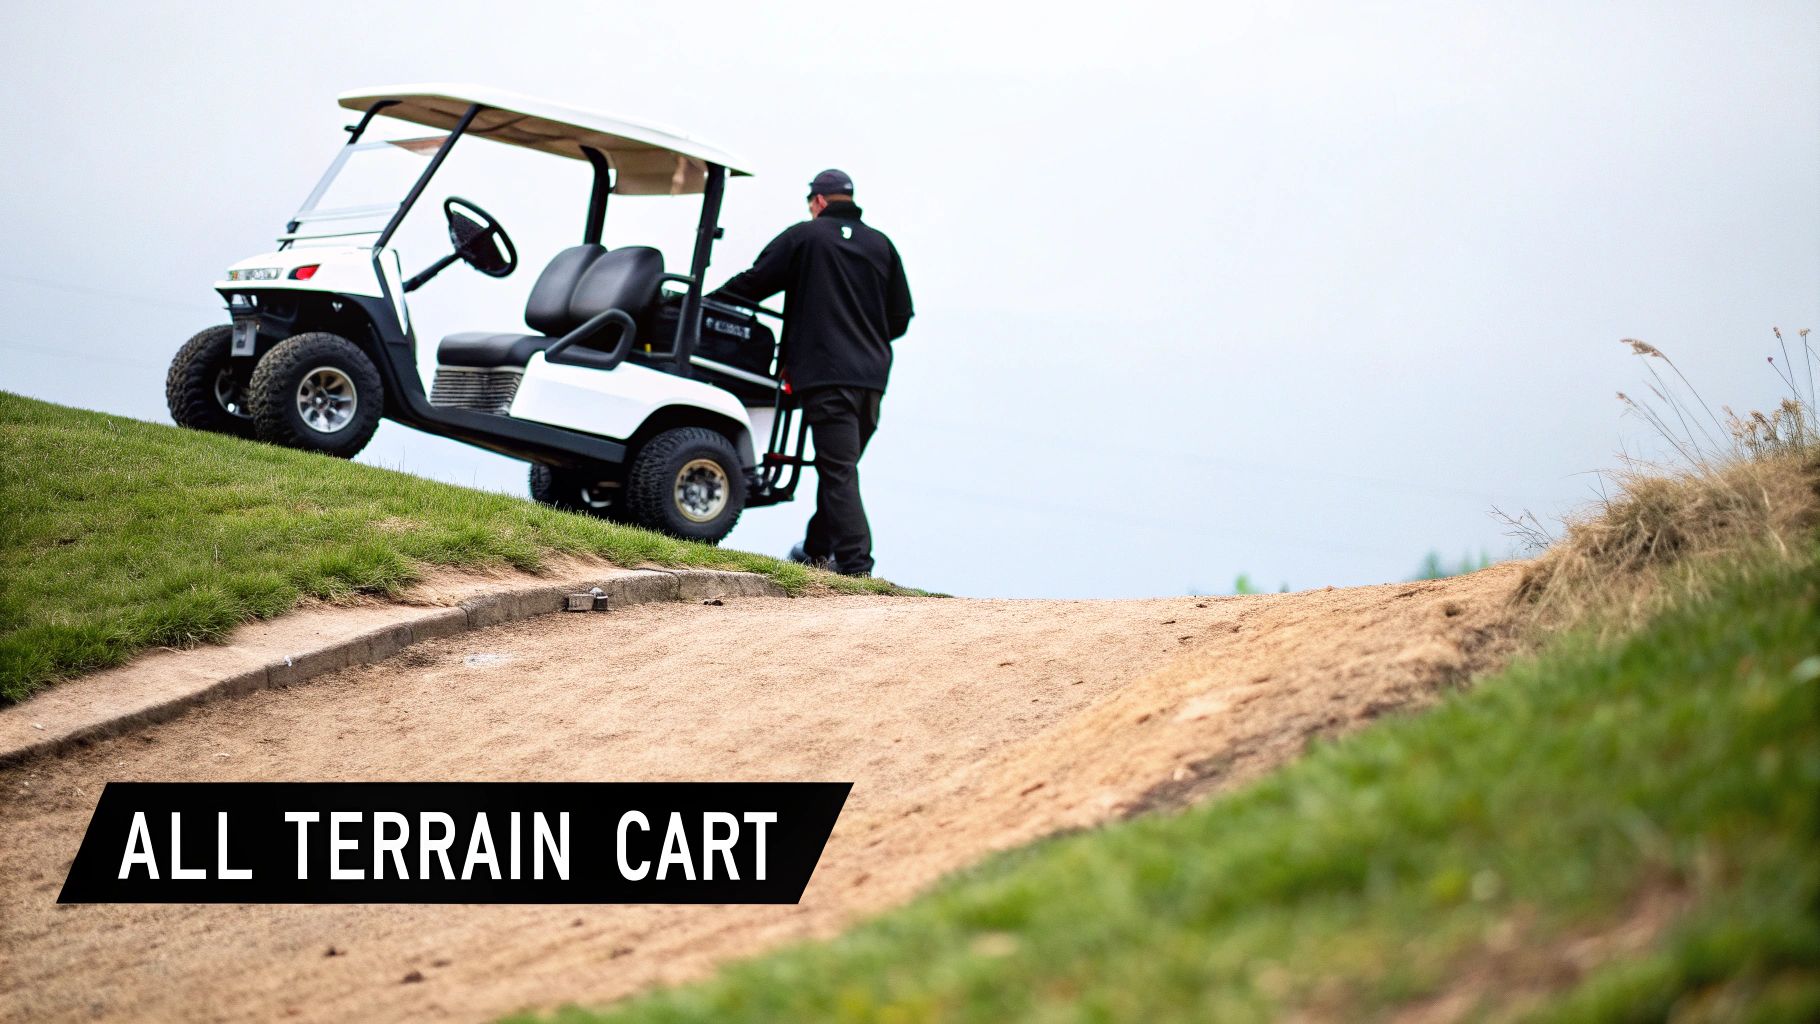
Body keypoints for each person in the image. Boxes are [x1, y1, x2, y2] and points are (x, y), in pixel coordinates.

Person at [710, 169, 913, 577]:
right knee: (839, 467)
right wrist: (865, 340)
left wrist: (702, 304)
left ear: (818, 201)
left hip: (826, 374)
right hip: (872, 378)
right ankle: (816, 551)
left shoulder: (806, 236)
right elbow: (900, 317)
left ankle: (856, 568)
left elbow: (755, 282)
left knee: (838, 471)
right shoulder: (882, 245)